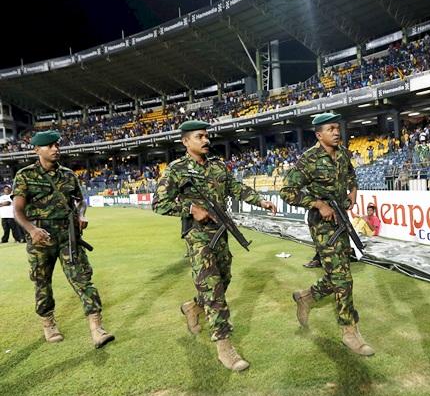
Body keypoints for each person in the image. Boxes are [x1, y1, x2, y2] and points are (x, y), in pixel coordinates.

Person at [152, 120, 277, 372]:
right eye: (199, 136)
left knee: (224, 278)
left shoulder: (218, 166)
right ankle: (224, 346)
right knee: (213, 288)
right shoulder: (177, 170)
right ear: (186, 141)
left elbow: (235, 188)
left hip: (221, 233)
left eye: (207, 136)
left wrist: (260, 201)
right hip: (198, 237)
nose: (206, 140)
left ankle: (193, 307)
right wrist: (190, 209)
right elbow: (159, 204)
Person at [280, 112, 374, 356]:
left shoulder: (342, 154)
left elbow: (351, 177)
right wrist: (318, 204)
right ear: (318, 134)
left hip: (342, 221)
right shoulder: (309, 159)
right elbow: (287, 192)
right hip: (322, 225)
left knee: (337, 274)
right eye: (330, 129)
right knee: (343, 278)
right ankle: (349, 331)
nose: (336, 132)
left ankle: (307, 297)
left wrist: (353, 192)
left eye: (337, 127)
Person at [12, 130, 114, 348]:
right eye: (49, 146)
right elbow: (18, 211)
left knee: (82, 279)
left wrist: (81, 214)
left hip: (68, 236)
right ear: (36, 150)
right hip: (41, 238)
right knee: (42, 282)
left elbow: (81, 201)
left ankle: (97, 328)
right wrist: (31, 231)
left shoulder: (68, 174)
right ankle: (48, 323)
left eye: (57, 145)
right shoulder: (24, 175)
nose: (55, 149)